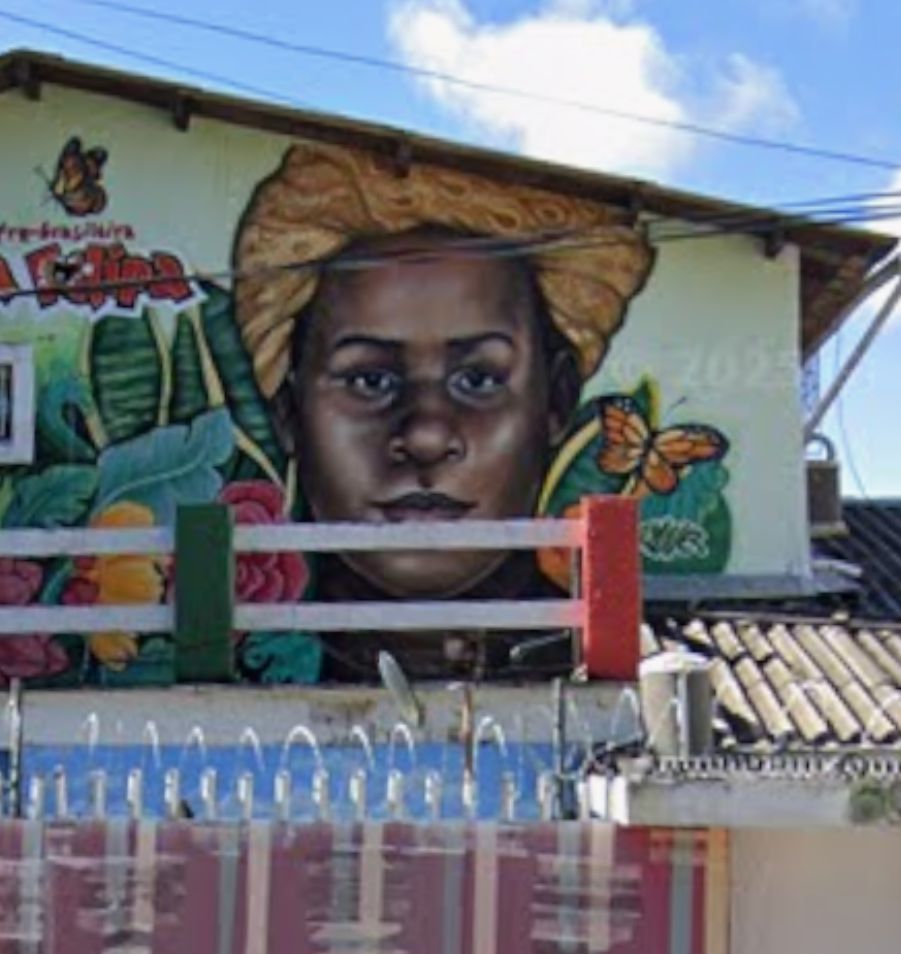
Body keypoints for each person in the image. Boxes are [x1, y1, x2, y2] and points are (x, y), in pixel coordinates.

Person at [232, 143, 655, 675]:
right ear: (289, 414)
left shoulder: (639, 669)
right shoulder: (254, 666)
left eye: (478, 379)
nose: (427, 436)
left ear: (558, 401)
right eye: (370, 380)